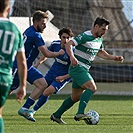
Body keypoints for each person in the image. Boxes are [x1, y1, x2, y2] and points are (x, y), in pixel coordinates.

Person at [50, 16, 124, 124]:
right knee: (92, 87)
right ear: (96, 26)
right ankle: (80, 113)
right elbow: (69, 44)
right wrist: (72, 57)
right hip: (78, 68)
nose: (104, 32)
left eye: (106, 30)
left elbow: (100, 52)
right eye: (103, 29)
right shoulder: (85, 36)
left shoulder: (99, 39)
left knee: (75, 97)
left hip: (83, 69)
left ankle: (56, 115)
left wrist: (114, 58)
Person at [17, 27, 74, 122]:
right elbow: (46, 54)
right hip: (52, 72)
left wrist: (64, 77)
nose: (66, 40)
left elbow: (74, 70)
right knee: (41, 87)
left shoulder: (73, 51)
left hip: (62, 77)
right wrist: (37, 64)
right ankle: (25, 108)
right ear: (60, 37)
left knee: (47, 91)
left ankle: (32, 111)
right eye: (64, 37)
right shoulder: (55, 44)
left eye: (68, 38)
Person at [0, 0, 27, 132]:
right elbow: (22, 61)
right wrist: (22, 85)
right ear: (9, 8)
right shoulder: (15, 30)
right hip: (5, 78)